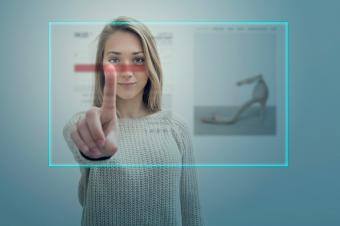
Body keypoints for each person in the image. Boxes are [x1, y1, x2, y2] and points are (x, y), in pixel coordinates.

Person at [63, 16, 205, 226]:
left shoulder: (177, 127)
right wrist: (96, 152)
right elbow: (85, 190)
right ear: (101, 65)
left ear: (151, 65)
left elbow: (192, 213)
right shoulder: (83, 124)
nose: (127, 72)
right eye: (114, 59)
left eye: (138, 59)